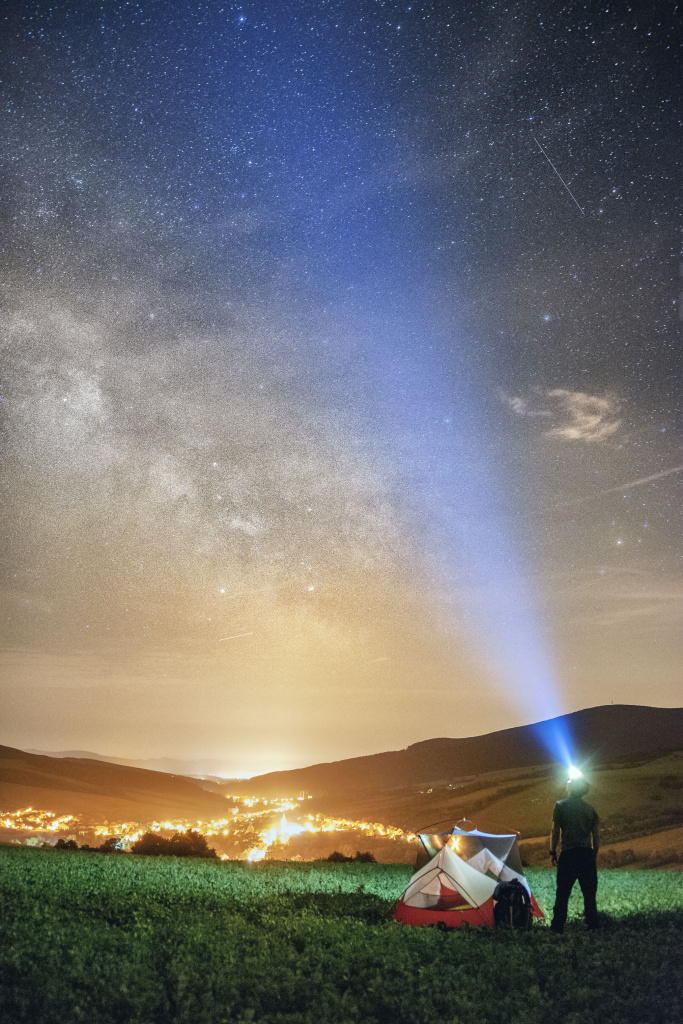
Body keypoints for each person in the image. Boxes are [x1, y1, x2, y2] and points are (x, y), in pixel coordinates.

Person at [549, 776, 600, 933]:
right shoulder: (590, 810)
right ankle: (593, 926)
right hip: (586, 855)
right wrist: (593, 855)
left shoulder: (560, 806)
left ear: (571, 788)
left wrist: (552, 851)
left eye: (568, 783)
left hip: (569, 855)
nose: (566, 785)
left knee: (563, 893)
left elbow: (555, 830)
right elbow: (596, 837)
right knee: (589, 894)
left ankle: (557, 927)